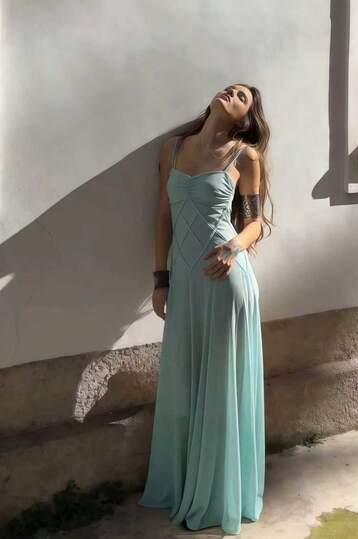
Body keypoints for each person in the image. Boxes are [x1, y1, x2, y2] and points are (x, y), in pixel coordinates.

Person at [137, 83, 274, 536]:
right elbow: (163, 216)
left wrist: (234, 248)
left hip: (225, 280)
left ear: (245, 116)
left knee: (220, 383)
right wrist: (161, 278)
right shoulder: (173, 150)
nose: (232, 92)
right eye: (230, 87)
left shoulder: (245, 157)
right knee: (185, 378)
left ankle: (218, 493)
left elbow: (254, 222)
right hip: (185, 284)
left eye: (242, 96)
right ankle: (185, 481)